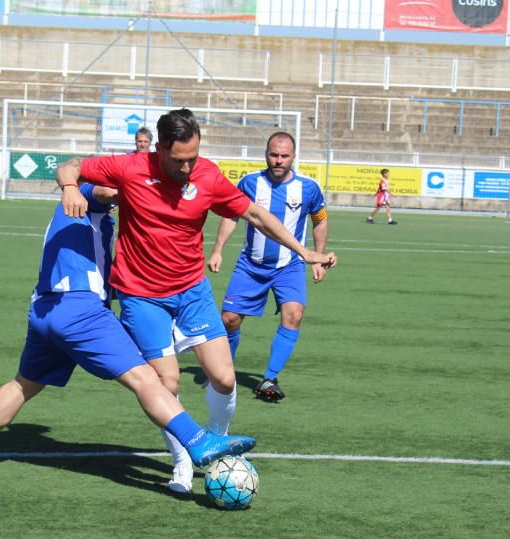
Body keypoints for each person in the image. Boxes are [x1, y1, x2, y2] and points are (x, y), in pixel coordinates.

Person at [56, 109, 337, 493]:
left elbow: (254, 213)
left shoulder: (207, 174)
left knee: (224, 377)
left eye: (193, 157)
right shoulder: (130, 167)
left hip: (192, 291)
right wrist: (70, 187)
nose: (188, 167)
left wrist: (304, 251)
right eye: (178, 159)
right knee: (166, 384)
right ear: (159, 149)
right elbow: (70, 166)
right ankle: (182, 460)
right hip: (141, 296)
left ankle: (214, 446)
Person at [0, 183, 256, 471]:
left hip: (44, 311)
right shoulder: (85, 199)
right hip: (81, 311)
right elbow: (103, 190)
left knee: (23, 384)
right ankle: (199, 441)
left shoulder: (72, 220)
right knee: (147, 379)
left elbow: (113, 283)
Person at [207, 131, 329, 403]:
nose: (279, 160)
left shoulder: (308, 188)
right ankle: (224, 370)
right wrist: (217, 251)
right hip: (251, 264)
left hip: (290, 266)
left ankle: (270, 379)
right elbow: (231, 216)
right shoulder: (249, 183)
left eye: (284, 156)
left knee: (294, 314)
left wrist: (318, 258)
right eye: (274, 155)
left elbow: (320, 220)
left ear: (293, 157)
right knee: (229, 320)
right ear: (266, 154)